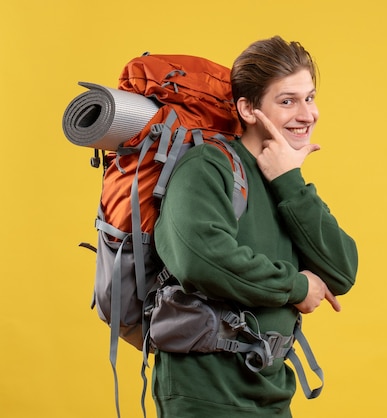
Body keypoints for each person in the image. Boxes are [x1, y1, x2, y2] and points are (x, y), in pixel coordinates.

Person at [152, 36, 358, 417]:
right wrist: (296, 286)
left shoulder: (284, 180)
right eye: (287, 101)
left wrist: (290, 182)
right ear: (247, 108)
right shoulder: (207, 166)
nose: (307, 114)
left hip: (272, 390)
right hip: (206, 393)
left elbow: (342, 271)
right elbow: (202, 258)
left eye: (309, 98)